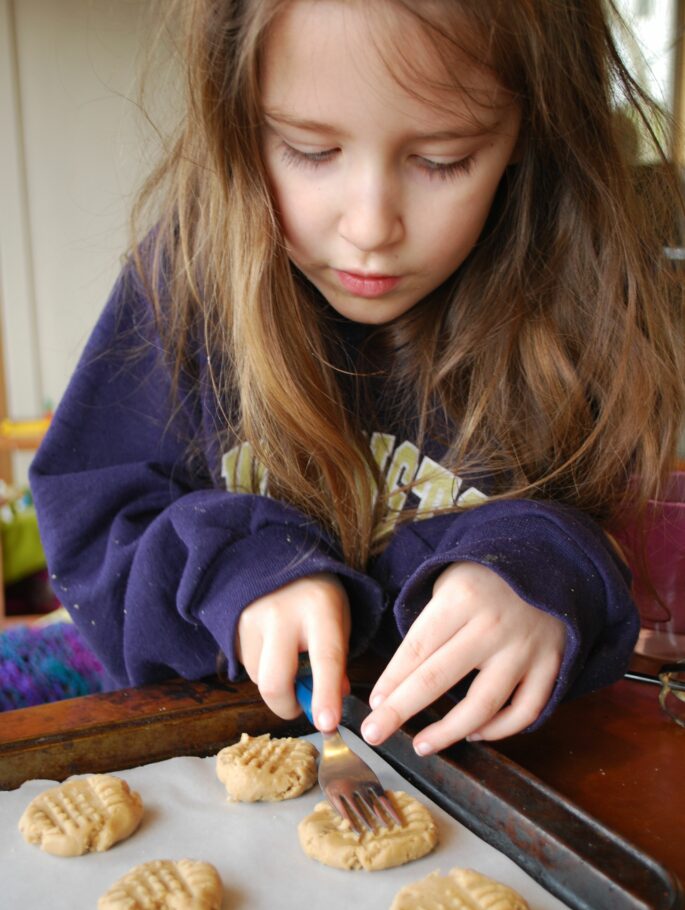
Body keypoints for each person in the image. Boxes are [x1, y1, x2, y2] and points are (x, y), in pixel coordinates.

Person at [30, 0, 684, 756]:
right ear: (234, 117)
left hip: (479, 789)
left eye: (442, 160)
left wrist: (538, 578)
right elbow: (94, 533)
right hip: (199, 751)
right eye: (309, 150)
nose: (371, 227)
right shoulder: (184, 281)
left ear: (529, 131)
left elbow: (600, 549)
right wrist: (236, 567)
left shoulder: (566, 298)